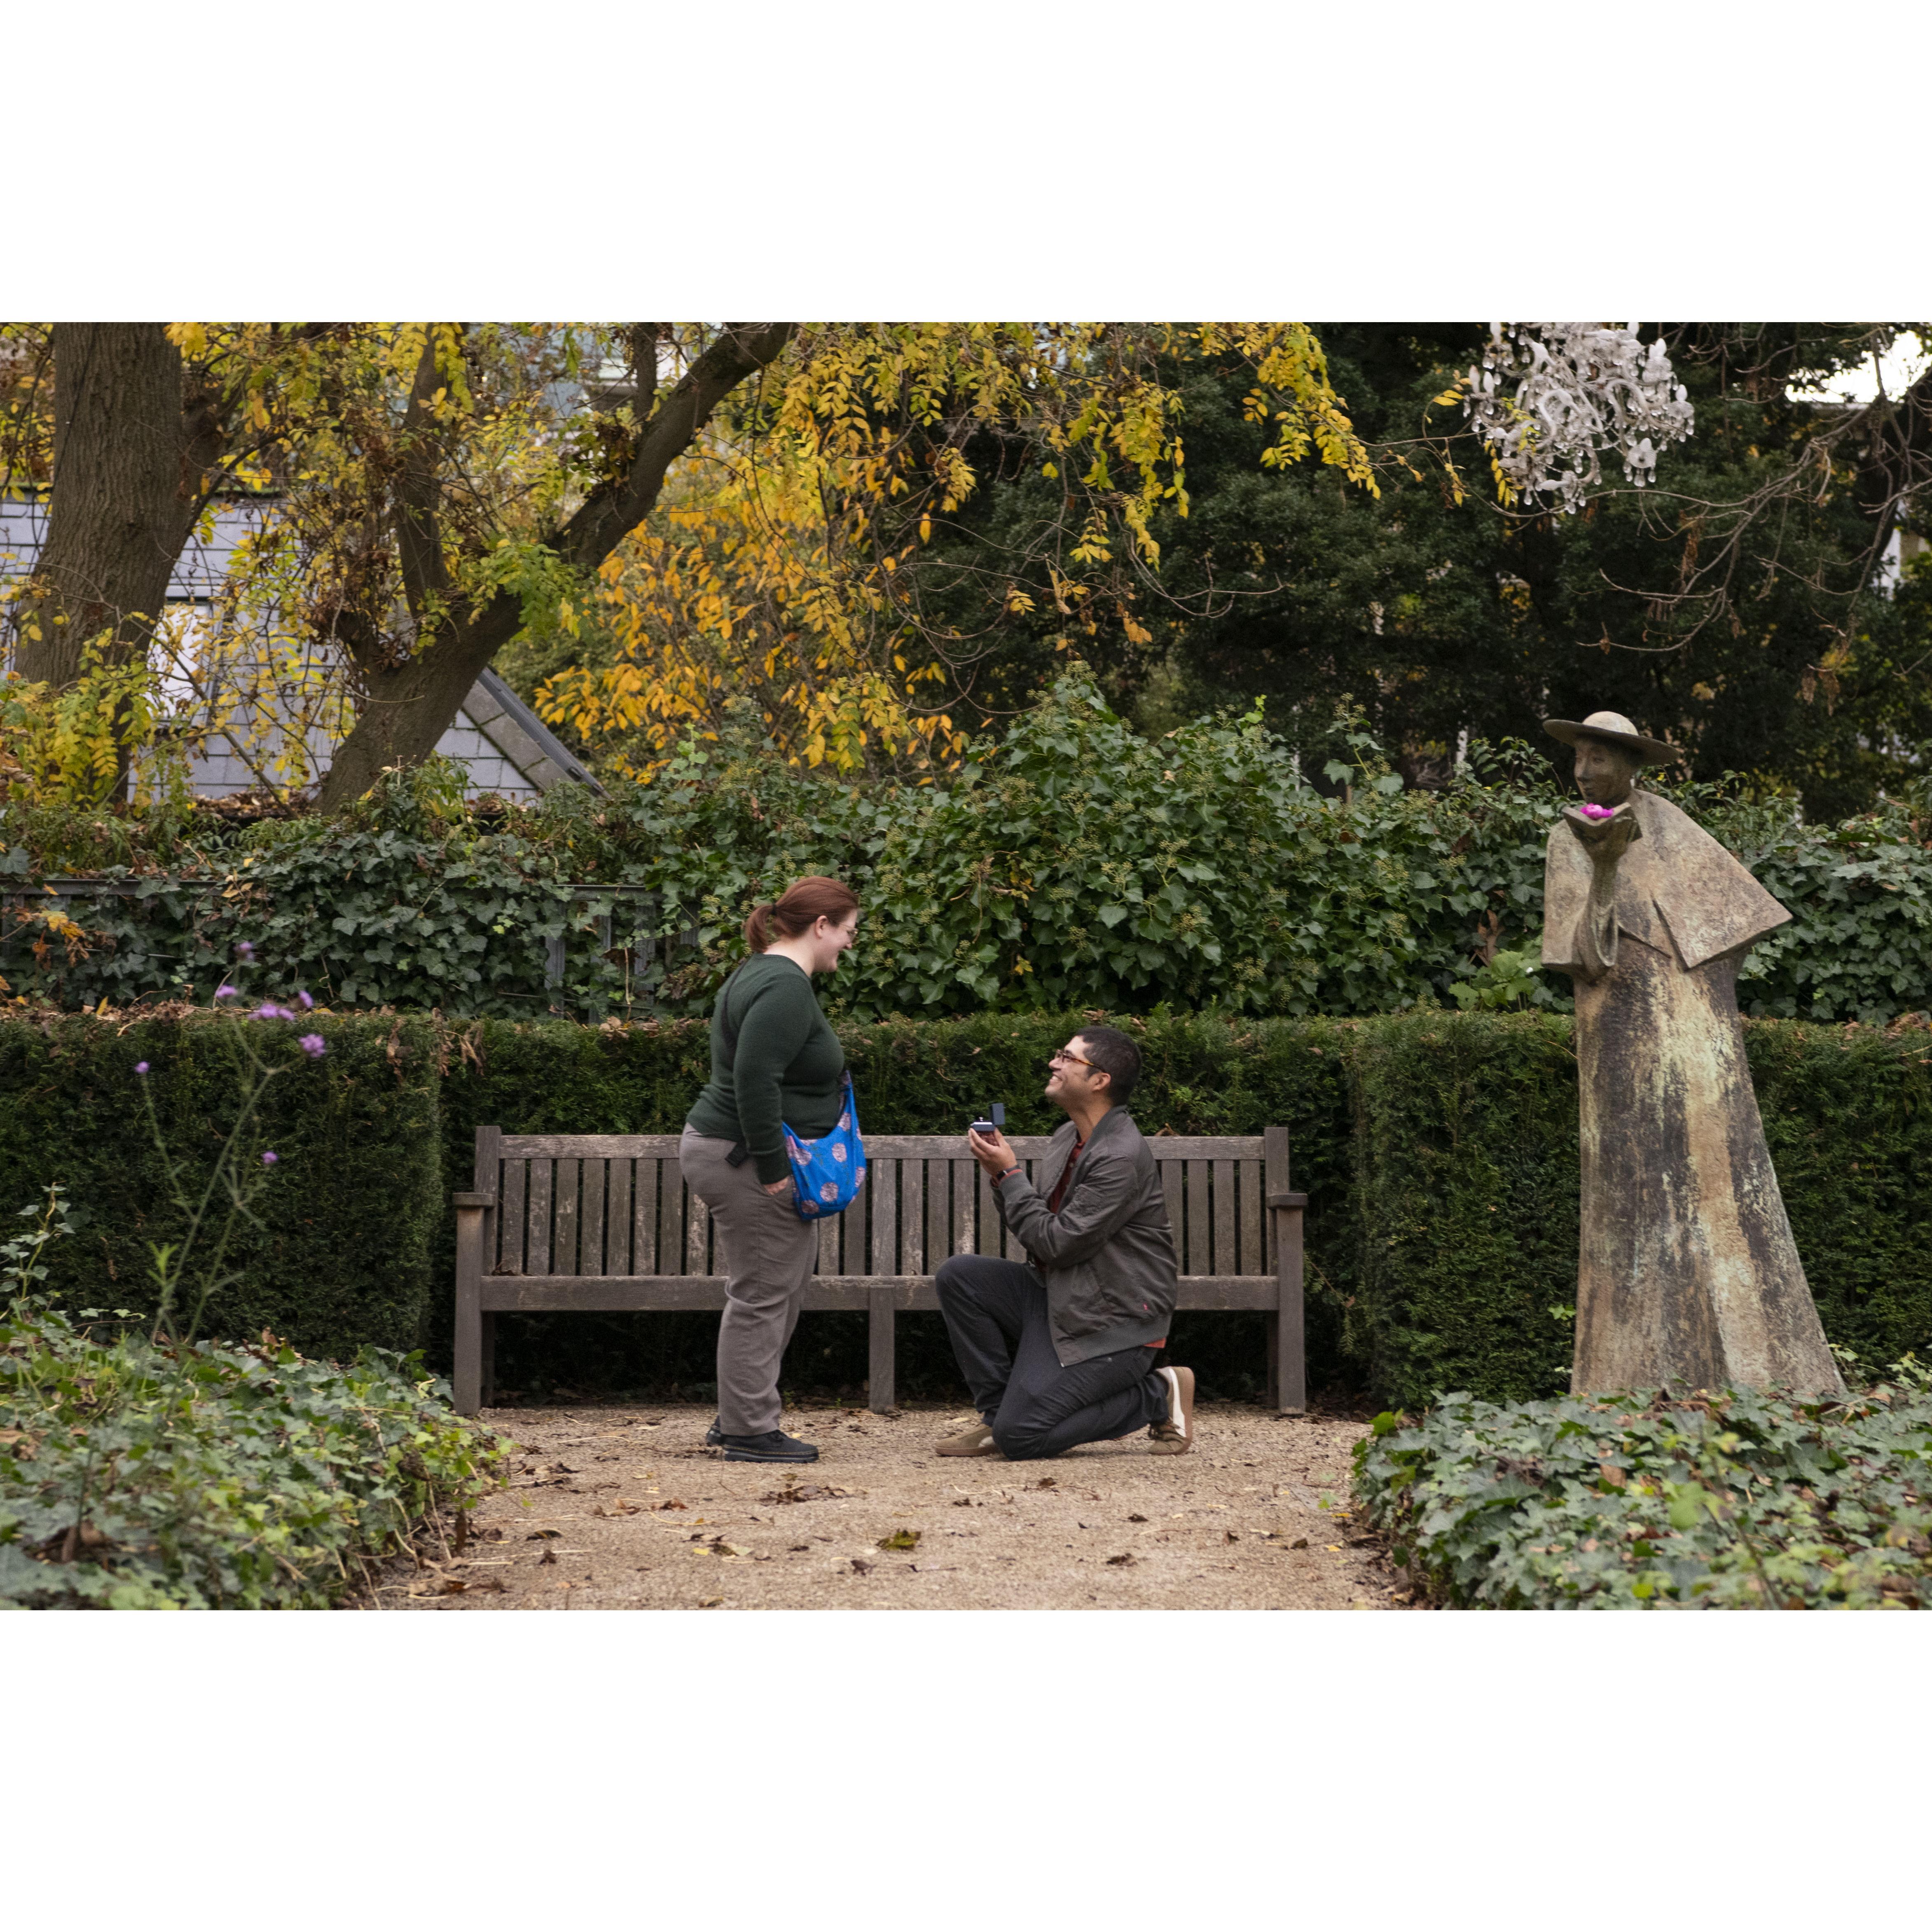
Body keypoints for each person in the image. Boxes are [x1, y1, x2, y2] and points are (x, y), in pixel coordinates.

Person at [1541, 709, 1843, 1396]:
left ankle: (1758, 1369)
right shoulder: (1569, 838)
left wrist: (1699, 986)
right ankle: (1629, 1376)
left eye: (1599, 759)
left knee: (1721, 1178)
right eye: (1580, 758)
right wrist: (1607, 868)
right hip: (1616, 1030)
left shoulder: (1673, 824)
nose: (1586, 771)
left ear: (1630, 764)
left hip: (1694, 1021)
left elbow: (1737, 919)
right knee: (1632, 1189)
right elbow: (1582, 960)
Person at [931, 1026, 1195, 1460]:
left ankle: (1155, 1394)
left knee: (1024, 1437)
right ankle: (995, 1418)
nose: (1054, 1062)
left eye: (1068, 1058)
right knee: (961, 1277)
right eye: (1059, 1053)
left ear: (1100, 1080)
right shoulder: (1066, 1138)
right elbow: (1040, 1238)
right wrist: (1003, 1176)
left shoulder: (1118, 1156)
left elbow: (1057, 1244)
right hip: (1065, 1298)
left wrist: (1010, 1175)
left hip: (1113, 1326)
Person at [682, 876, 861, 1462]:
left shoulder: (761, 972)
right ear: (820, 926)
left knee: (776, 1287)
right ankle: (747, 1429)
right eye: (848, 932)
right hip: (744, 1155)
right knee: (762, 1293)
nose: (848, 944)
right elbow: (754, 1079)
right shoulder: (784, 985)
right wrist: (772, 1168)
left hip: (733, 1148)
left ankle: (741, 1414)